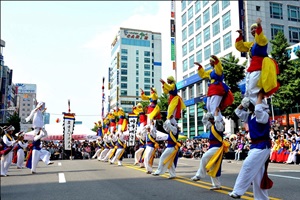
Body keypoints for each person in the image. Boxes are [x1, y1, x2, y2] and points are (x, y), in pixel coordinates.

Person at [229, 91, 273, 199]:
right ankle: (262, 198)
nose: (249, 105)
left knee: (247, 165)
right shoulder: (250, 116)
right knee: (257, 175)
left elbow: (258, 109)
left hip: (263, 146)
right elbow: (237, 112)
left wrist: (259, 96)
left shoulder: (263, 114)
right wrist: (242, 104)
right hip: (255, 146)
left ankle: (238, 191)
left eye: (250, 103)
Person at [235, 18, 279, 108]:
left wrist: (259, 25)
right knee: (248, 91)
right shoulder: (252, 44)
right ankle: (258, 108)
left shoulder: (263, 40)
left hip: (259, 68)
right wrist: (240, 36)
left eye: (255, 28)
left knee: (252, 90)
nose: (253, 30)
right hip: (251, 69)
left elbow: (260, 37)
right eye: (251, 29)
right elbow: (241, 47)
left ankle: (263, 108)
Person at [191, 108, 229, 191]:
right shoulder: (211, 126)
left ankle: (199, 175)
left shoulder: (219, 125)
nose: (209, 120)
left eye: (211, 119)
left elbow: (218, 123)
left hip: (217, 148)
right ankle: (216, 185)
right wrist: (210, 109)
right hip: (212, 147)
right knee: (212, 167)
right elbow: (203, 120)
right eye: (209, 119)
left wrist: (216, 113)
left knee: (204, 157)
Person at [25, 102, 50, 174]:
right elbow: (33, 112)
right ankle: (33, 170)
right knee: (34, 160)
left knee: (46, 153)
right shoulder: (35, 135)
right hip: (35, 149)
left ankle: (47, 161)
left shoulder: (39, 113)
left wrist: (43, 132)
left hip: (38, 148)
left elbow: (44, 135)